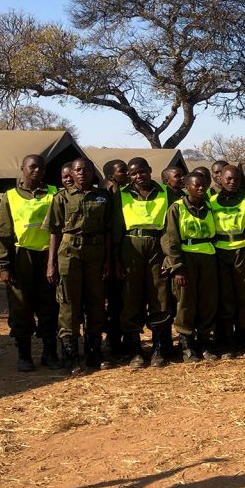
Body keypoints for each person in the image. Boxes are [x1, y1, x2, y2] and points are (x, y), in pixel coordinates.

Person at [46, 158, 120, 374]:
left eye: (86, 169)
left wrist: (108, 260)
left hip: (96, 253)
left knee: (96, 301)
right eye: (78, 169)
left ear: (92, 172)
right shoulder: (62, 198)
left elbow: (108, 230)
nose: (82, 173)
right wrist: (51, 263)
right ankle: (70, 355)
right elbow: (54, 232)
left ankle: (94, 351)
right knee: (68, 302)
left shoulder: (103, 197)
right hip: (69, 253)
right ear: (71, 172)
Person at [0, 155, 61, 371]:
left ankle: (49, 353)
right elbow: (2, 232)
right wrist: (3, 266)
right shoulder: (10, 196)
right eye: (32, 167)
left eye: (41, 167)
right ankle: (24, 355)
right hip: (21, 257)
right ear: (22, 168)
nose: (37, 170)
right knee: (21, 306)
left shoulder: (54, 193)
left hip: (48, 257)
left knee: (49, 305)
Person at [115, 158, 173, 368]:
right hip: (130, 246)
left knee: (160, 296)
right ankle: (136, 350)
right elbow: (116, 228)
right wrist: (116, 259)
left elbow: (171, 225)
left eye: (142, 172)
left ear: (150, 170)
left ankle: (158, 348)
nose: (139, 176)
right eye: (133, 174)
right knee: (131, 297)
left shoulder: (166, 192)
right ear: (129, 176)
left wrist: (169, 255)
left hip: (158, 246)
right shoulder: (121, 194)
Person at [210, 164, 245, 359]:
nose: (232, 182)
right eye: (228, 179)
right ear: (220, 179)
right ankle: (228, 342)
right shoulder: (212, 201)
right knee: (225, 298)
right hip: (220, 253)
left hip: (243, 252)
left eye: (236, 179)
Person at [162, 172, 219, 362]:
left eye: (204, 185)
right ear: (187, 187)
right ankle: (186, 345)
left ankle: (204, 342)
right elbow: (171, 239)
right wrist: (177, 267)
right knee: (185, 302)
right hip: (186, 258)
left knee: (207, 301)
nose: (201, 188)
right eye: (197, 185)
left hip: (208, 256)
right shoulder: (176, 208)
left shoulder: (210, 206)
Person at [101, 159, 129, 358]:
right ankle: (112, 340)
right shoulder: (106, 194)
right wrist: (112, 259)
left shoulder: (123, 192)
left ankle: (120, 339)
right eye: (122, 171)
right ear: (111, 175)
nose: (127, 173)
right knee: (112, 301)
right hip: (107, 255)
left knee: (120, 300)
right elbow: (110, 229)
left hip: (121, 252)